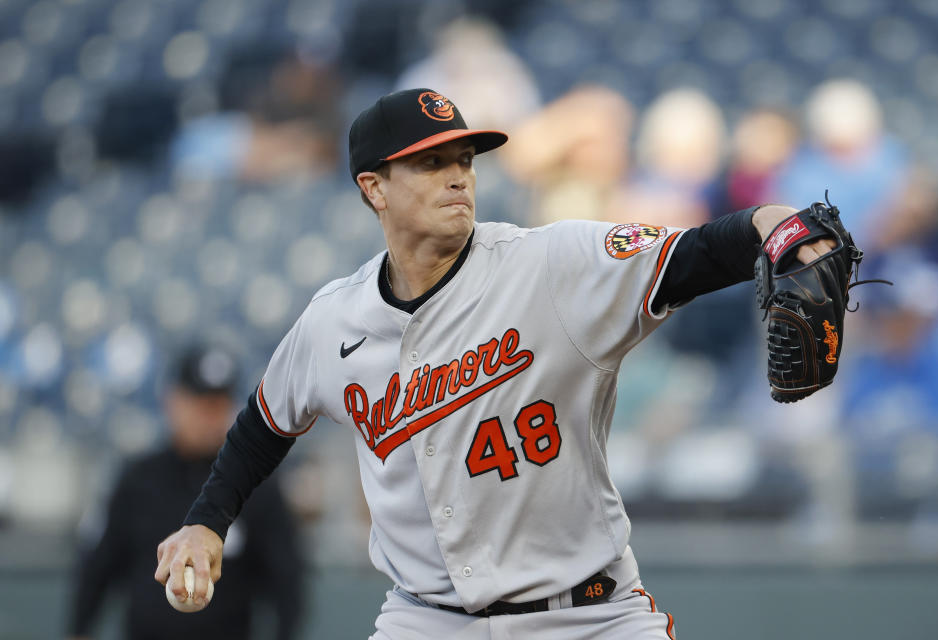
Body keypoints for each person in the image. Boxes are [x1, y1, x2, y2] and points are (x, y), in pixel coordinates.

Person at [154, 89, 835, 639]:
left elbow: (695, 254)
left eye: (465, 158)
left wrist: (773, 223)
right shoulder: (334, 322)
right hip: (426, 619)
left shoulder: (551, 264)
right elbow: (262, 426)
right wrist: (207, 521)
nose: (457, 174)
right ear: (375, 188)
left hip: (590, 617)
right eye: (429, 163)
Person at [69, 343, 304, 640]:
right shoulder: (138, 479)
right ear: (173, 401)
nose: (210, 417)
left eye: (219, 405)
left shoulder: (256, 485)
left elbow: (287, 581)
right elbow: (97, 568)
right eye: (201, 404)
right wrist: (78, 632)